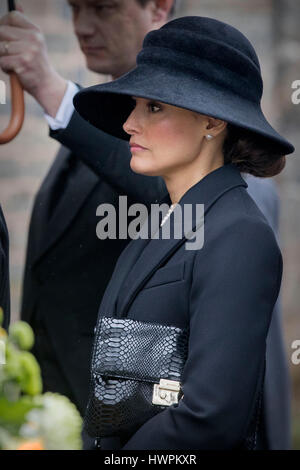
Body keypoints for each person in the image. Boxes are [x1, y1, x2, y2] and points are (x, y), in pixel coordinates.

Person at [0, 1, 291, 449]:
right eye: (136, 105)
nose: (131, 123)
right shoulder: (152, 228)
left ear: (211, 121)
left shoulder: (240, 232)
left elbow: (209, 419)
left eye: (154, 107)